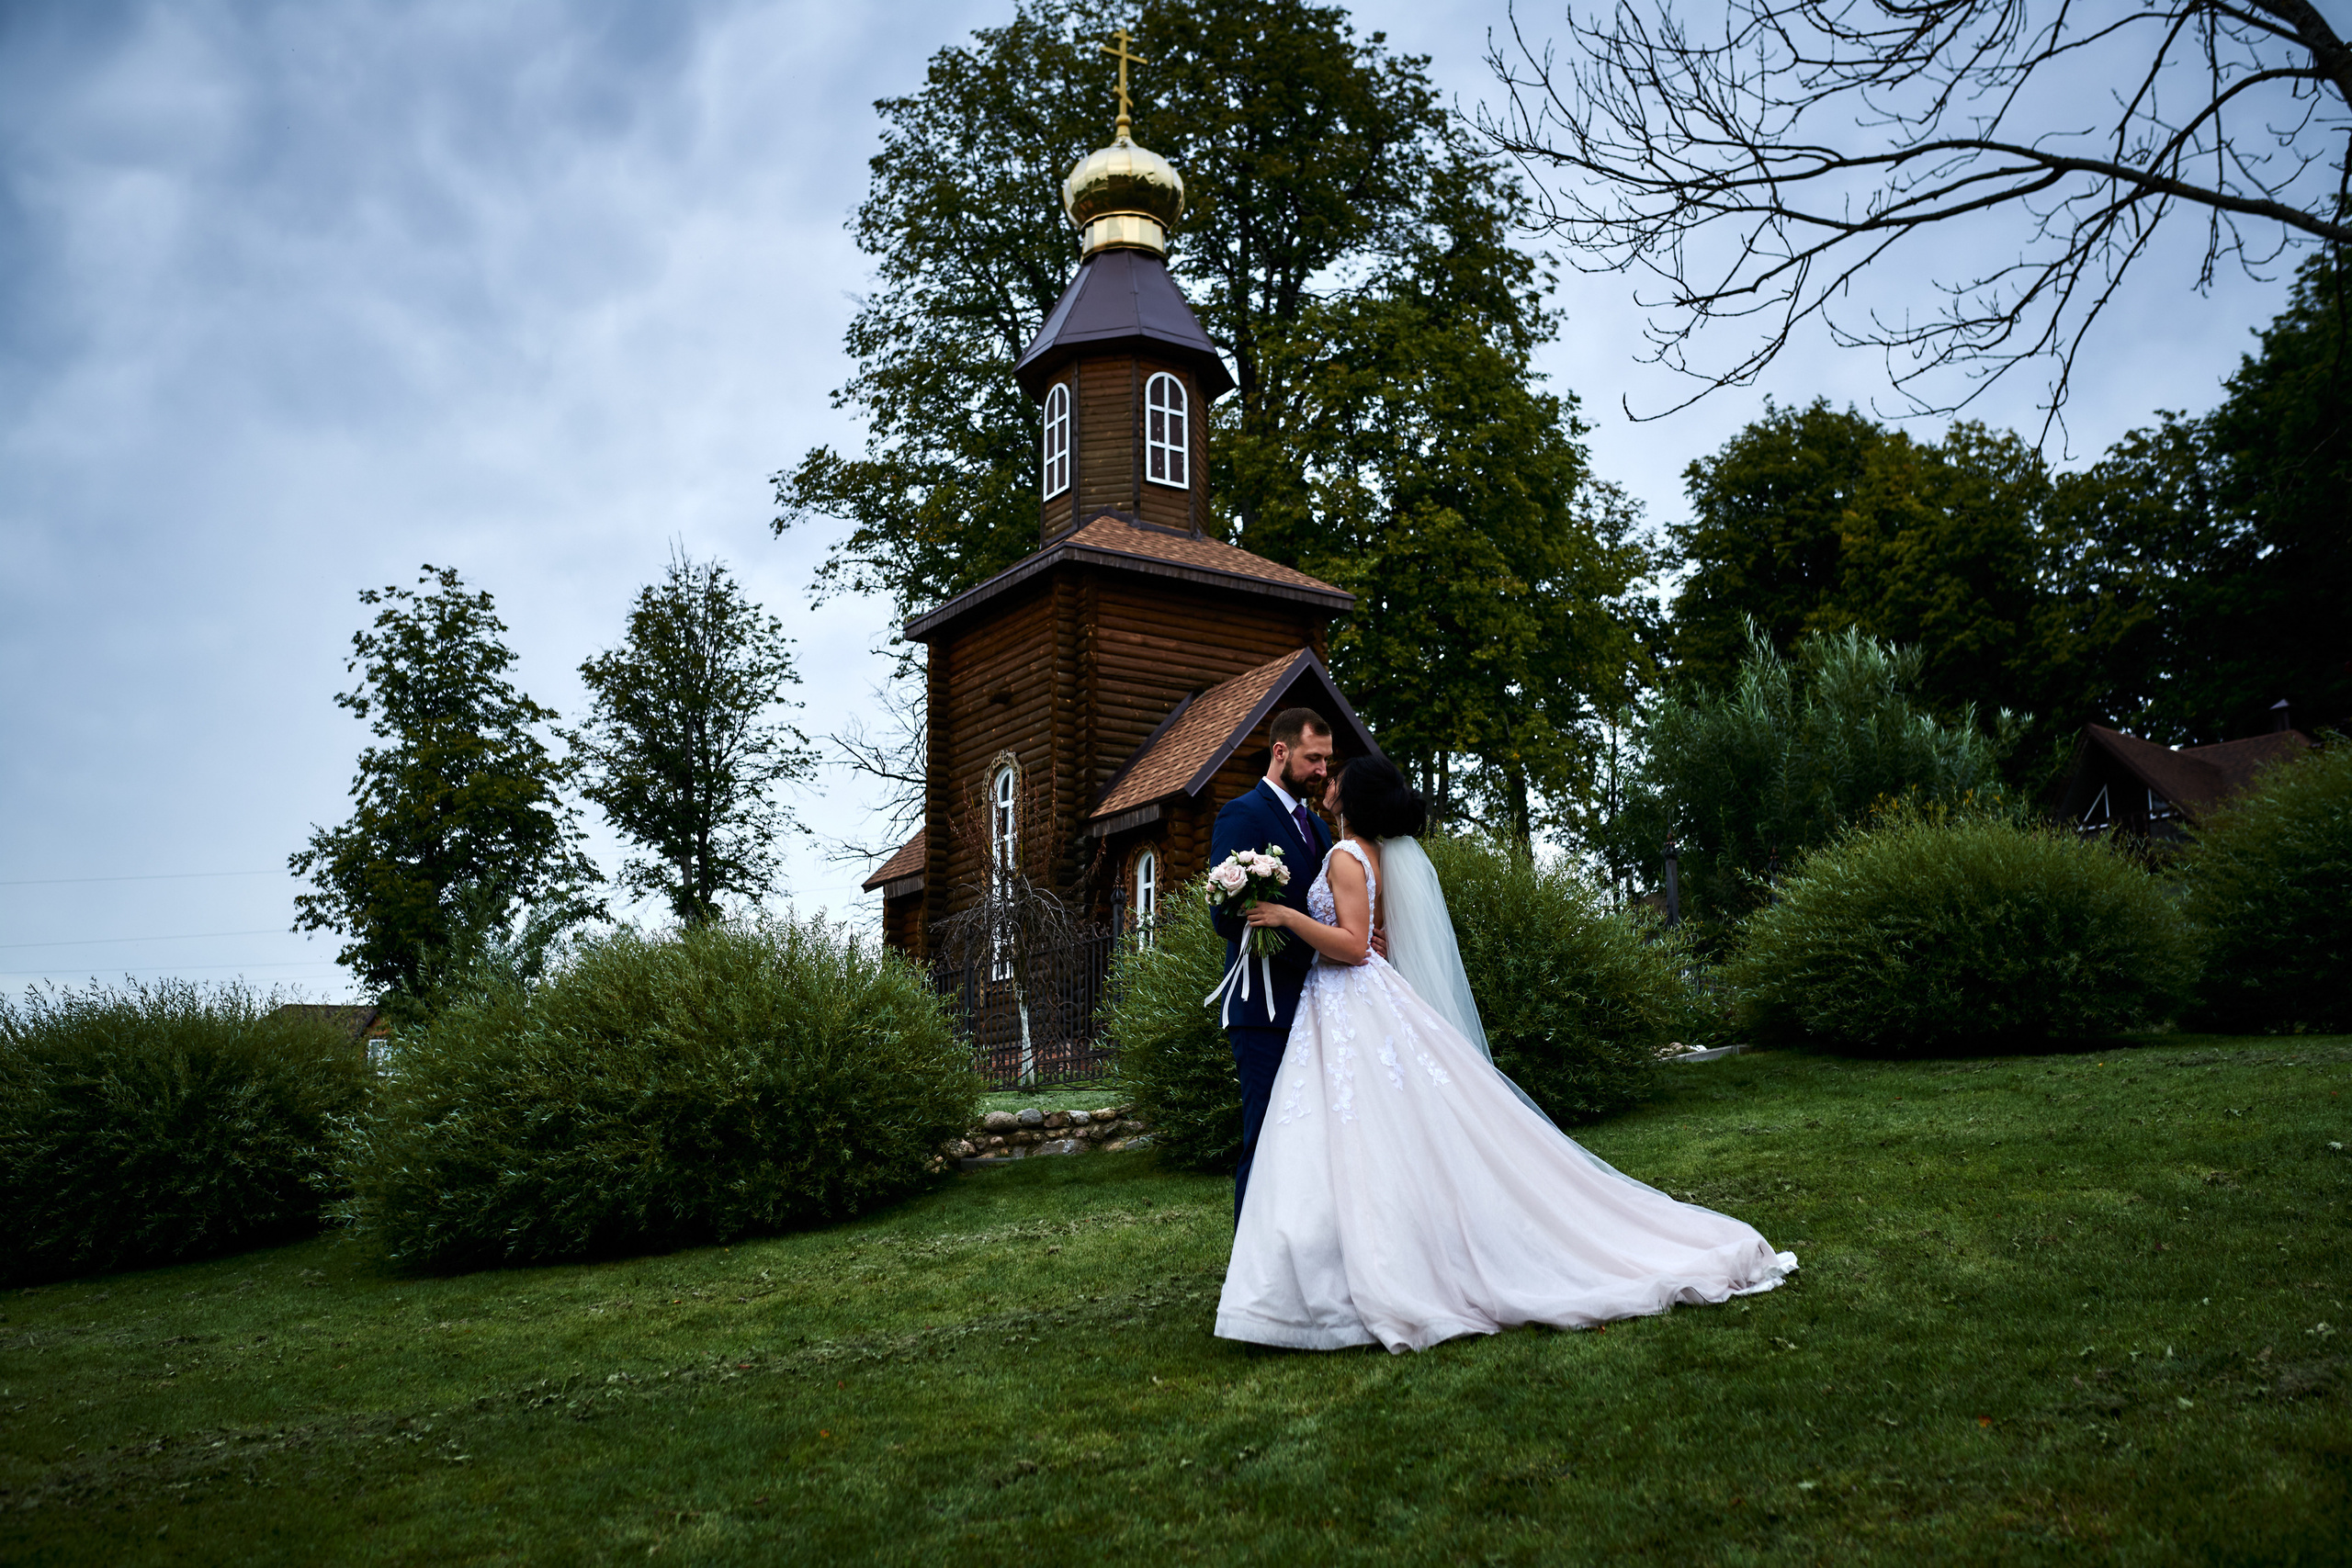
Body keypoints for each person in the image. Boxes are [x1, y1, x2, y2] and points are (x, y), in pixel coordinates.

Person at [1215, 755, 1797, 1353]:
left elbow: (1356, 945)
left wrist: (1285, 914)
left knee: (1352, 1133)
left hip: (1347, 999)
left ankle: (1340, 1275)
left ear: (1352, 796)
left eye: (1335, 777)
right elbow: (1369, 937)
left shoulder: (1344, 855)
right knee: (1368, 1132)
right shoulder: (1381, 854)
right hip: (1350, 1002)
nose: (1326, 782)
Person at [1206, 707, 1334, 1227]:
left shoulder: (1320, 828)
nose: (1323, 770)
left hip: (1322, 1002)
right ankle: (1250, 1273)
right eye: (1313, 758)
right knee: (1265, 1135)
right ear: (1280, 752)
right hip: (1264, 1005)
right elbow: (1223, 912)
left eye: (1327, 760)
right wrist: (1282, 929)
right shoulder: (1243, 814)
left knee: (1313, 1139)